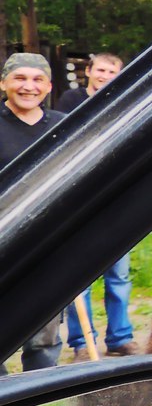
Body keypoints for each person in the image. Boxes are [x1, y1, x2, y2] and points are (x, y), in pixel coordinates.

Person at [57, 52, 140, 359]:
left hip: (115, 199)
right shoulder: (71, 101)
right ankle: (81, 341)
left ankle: (120, 337)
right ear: (89, 71)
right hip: (78, 199)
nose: (106, 75)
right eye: (101, 70)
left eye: (112, 71)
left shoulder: (125, 102)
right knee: (80, 277)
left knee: (118, 274)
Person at [0, 53, 67, 375]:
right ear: (4, 83)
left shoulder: (63, 126)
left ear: (49, 86)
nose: (29, 87)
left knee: (44, 334)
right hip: (2, 241)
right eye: (20, 78)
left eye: (38, 79)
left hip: (47, 244)